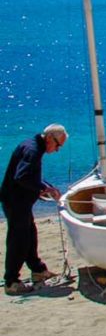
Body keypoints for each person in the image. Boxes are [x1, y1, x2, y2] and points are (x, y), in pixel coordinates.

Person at [2, 124, 65, 295]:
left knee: (30, 234)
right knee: (19, 240)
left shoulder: (34, 146)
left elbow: (30, 175)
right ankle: (11, 281)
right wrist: (43, 189)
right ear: (50, 138)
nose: (57, 150)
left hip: (20, 201)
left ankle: (38, 270)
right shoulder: (32, 150)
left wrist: (45, 186)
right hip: (16, 202)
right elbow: (22, 177)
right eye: (58, 145)